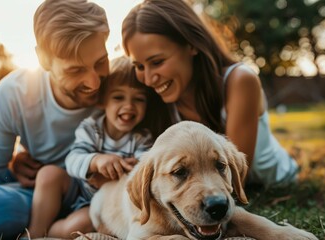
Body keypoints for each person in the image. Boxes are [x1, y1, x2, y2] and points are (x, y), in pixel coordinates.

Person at [121, 0, 298, 189]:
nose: (148, 79)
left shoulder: (240, 80)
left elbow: (235, 181)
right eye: (139, 66)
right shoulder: (158, 98)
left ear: (191, 45)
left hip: (273, 181)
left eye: (157, 62)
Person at [0, 0, 110, 238]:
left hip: (52, 195)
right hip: (25, 173)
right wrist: (13, 160)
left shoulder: (120, 92)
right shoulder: (15, 93)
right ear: (44, 60)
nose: (94, 82)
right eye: (75, 70)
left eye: (100, 63)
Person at [24, 56, 156, 238]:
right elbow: (72, 160)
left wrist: (118, 176)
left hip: (100, 203)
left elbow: (143, 173)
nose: (128, 106)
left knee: (80, 224)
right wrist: (96, 160)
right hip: (77, 188)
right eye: (118, 97)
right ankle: (34, 231)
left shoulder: (142, 139)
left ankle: (51, 233)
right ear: (102, 101)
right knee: (49, 174)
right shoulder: (91, 127)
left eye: (139, 99)